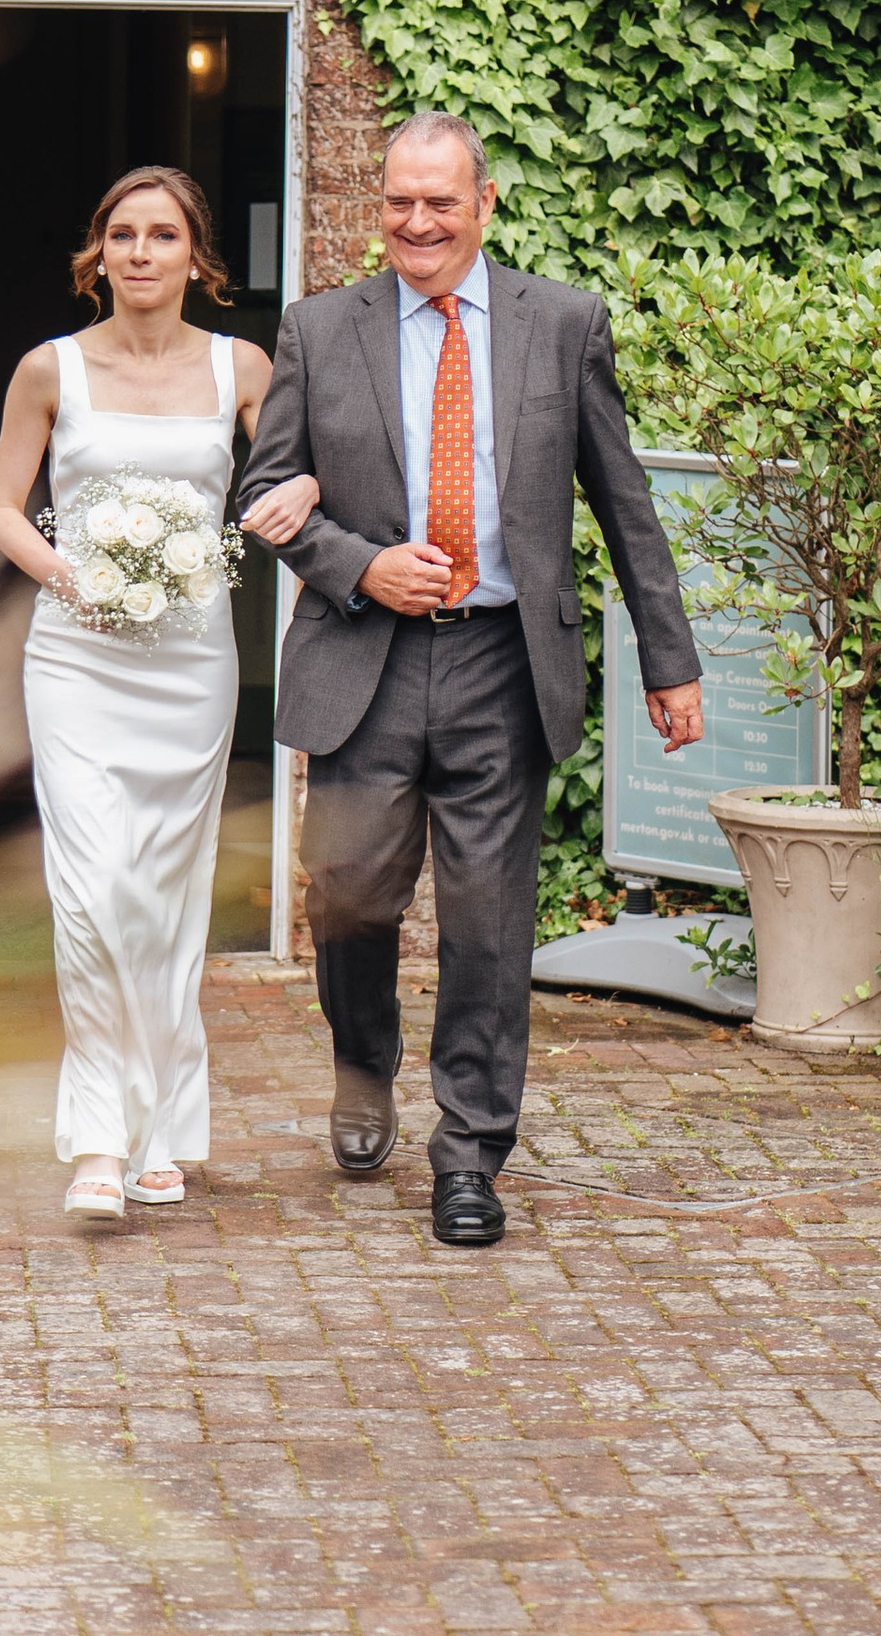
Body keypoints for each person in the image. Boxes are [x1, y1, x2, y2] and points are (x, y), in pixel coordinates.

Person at [245, 114, 703, 1250]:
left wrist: (669, 659)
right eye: (399, 202)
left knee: (490, 925)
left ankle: (470, 1156)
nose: (416, 224)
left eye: (439, 204)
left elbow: (623, 502)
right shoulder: (316, 329)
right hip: (368, 659)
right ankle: (363, 1078)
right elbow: (264, 491)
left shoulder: (561, 326)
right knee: (346, 897)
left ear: (483, 205)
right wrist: (359, 565)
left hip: (504, 658)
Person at [0, 167, 317, 1228]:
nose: (139, 252)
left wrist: (304, 486)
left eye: (161, 235)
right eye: (120, 235)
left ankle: (163, 1131)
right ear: (98, 256)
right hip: (75, 658)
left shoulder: (243, 369)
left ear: (195, 259)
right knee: (91, 892)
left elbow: (291, 479)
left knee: (165, 899)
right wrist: (70, 576)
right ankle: (93, 1142)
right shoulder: (48, 371)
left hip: (189, 666)